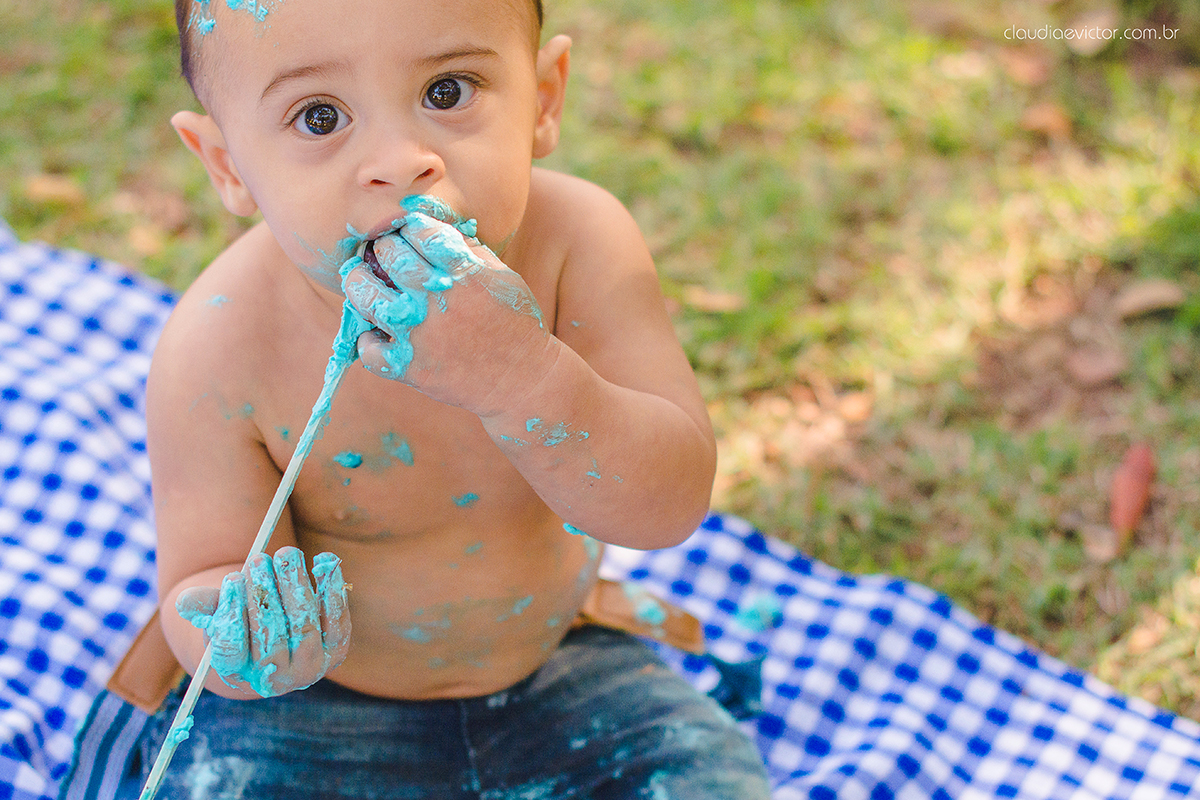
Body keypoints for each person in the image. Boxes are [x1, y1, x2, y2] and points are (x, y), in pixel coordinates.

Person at [137, 0, 773, 796]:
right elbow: (201, 582)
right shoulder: (219, 347)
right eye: (320, 115)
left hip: (559, 664)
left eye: (448, 91)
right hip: (317, 709)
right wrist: (242, 639)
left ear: (543, 100)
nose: (401, 162)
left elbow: (667, 505)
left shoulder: (580, 246)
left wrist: (524, 378)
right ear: (228, 164)